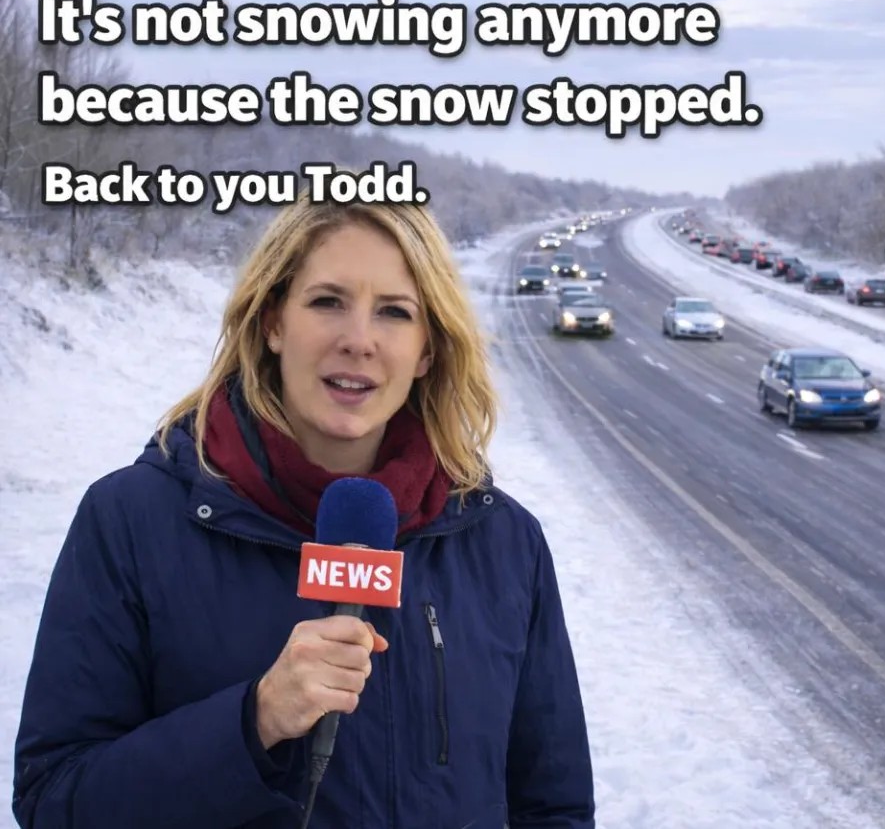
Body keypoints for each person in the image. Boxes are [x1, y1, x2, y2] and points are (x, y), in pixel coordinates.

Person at [13, 191, 596, 829]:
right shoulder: (131, 521)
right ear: (273, 322)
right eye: (327, 302)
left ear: (427, 350)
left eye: (394, 312)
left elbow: (553, 807)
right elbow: (55, 801)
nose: (359, 341)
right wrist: (254, 721)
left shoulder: (503, 543)